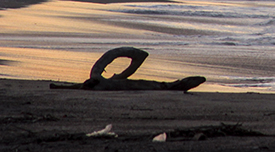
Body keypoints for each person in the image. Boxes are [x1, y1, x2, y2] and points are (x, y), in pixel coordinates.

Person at [49, 47, 205, 91]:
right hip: (102, 82)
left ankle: (175, 85)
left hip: (102, 81)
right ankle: (174, 86)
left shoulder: (97, 81)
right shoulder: (98, 83)